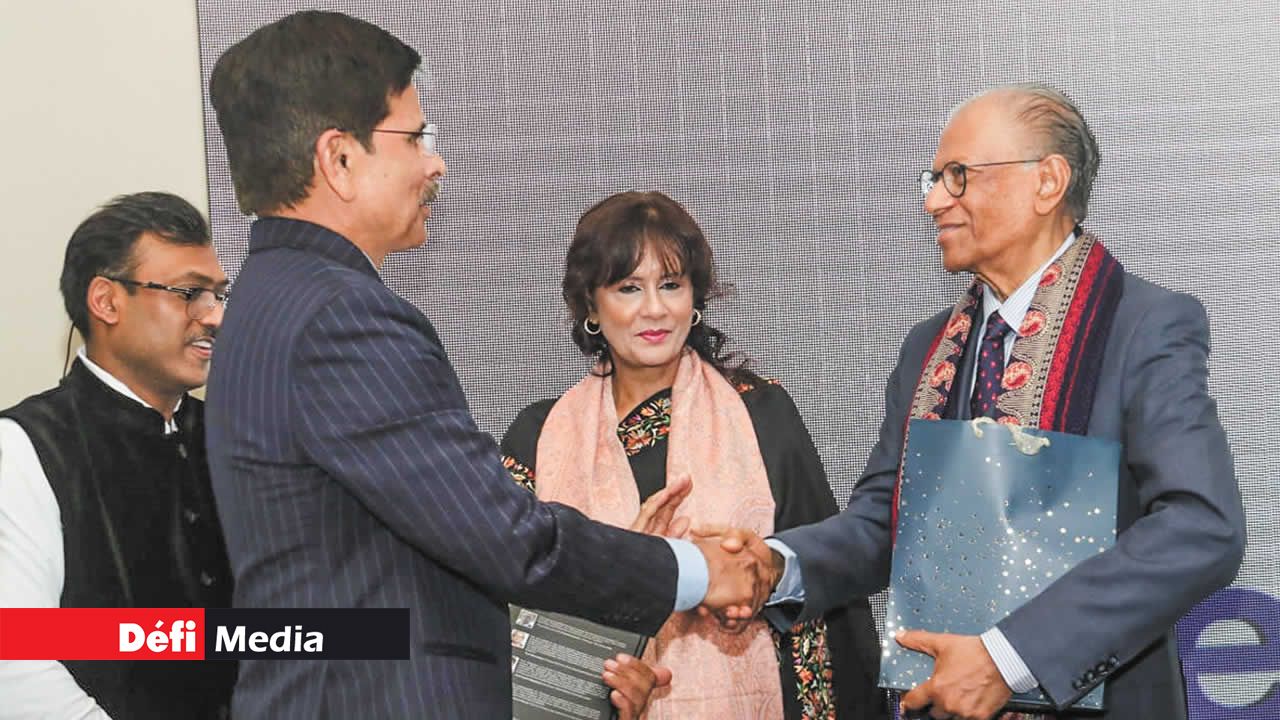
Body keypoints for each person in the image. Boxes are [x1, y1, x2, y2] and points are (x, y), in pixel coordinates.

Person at [204, 11, 768, 719]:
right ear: (339, 159)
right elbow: (504, 538)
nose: (434, 163)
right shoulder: (344, 318)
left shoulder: (265, 297)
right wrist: (695, 569)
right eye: (416, 137)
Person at [718, 83, 1247, 720]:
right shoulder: (928, 346)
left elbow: (1201, 525)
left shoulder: (1141, 327)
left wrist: (1007, 658)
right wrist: (776, 563)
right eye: (934, 179)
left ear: (1047, 182)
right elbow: (886, 521)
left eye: (958, 176)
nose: (933, 201)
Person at [500, 190, 887, 719]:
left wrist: (750, 584)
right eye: (628, 287)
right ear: (591, 304)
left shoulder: (760, 412)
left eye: (671, 285)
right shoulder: (538, 439)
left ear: (694, 297)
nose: (654, 309)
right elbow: (509, 619)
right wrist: (617, 587)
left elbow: (820, 594)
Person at [0, 192, 235, 719]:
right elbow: (14, 659)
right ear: (106, 301)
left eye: (219, 295)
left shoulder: (232, 436)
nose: (214, 316)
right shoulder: (24, 448)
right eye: (190, 293)